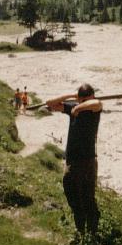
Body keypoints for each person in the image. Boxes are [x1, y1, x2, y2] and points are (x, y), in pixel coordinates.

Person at [46, 83, 102, 235]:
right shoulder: (73, 106)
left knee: (88, 199)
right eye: (81, 100)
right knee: (73, 197)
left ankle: (92, 234)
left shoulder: (94, 110)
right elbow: (50, 103)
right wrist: (71, 96)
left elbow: (97, 103)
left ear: (91, 96)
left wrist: (78, 107)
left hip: (88, 161)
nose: (83, 103)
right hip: (73, 162)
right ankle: (81, 232)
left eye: (86, 100)